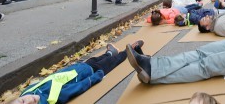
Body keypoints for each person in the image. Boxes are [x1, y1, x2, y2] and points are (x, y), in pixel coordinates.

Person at [14, 40, 144, 104]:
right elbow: (78, 87)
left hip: (79, 67)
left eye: (21, 102)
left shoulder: (27, 91)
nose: (27, 101)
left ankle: (109, 53)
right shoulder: (51, 99)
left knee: (94, 59)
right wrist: (97, 76)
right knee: (111, 62)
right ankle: (128, 51)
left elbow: (51, 77)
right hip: (90, 72)